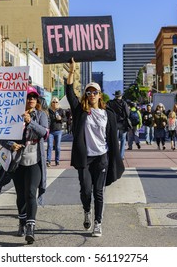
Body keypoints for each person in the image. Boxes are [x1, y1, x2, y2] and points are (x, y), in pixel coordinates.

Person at [66, 58, 124, 237]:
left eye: (95, 92)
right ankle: (86, 211)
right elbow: (69, 93)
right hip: (85, 157)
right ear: (86, 95)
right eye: (88, 92)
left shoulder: (108, 115)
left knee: (99, 192)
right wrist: (72, 72)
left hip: (101, 157)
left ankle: (98, 223)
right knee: (86, 190)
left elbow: (113, 137)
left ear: (100, 95)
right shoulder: (80, 111)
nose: (91, 94)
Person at [0, 86, 48, 244]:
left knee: (31, 192)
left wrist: (30, 122)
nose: (31, 99)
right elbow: (0, 135)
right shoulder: (12, 115)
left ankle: (30, 227)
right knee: (21, 194)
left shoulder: (41, 115)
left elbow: (45, 133)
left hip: (35, 158)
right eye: (28, 97)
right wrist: (11, 144)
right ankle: (21, 220)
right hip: (18, 160)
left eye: (34, 97)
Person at [107, 90, 131, 159]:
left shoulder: (110, 103)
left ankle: (115, 155)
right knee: (123, 140)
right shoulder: (124, 103)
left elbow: (106, 111)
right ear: (121, 96)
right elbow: (127, 113)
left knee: (115, 140)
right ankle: (121, 155)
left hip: (113, 123)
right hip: (122, 123)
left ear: (115, 96)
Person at [47, 97, 65, 167]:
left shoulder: (61, 110)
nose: (55, 103)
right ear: (51, 103)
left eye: (56, 102)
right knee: (50, 146)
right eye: (53, 102)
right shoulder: (48, 111)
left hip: (58, 130)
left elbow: (65, 118)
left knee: (57, 146)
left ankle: (57, 161)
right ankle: (48, 161)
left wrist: (61, 119)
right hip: (50, 131)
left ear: (58, 103)